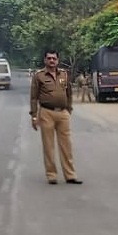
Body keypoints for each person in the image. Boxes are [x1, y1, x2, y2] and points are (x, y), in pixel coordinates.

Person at [30, 49, 81, 185]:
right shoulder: (39, 76)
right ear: (45, 60)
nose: (52, 61)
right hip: (46, 112)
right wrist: (34, 116)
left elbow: (69, 92)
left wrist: (69, 108)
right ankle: (51, 175)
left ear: (58, 60)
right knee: (48, 145)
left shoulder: (64, 74)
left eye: (54, 58)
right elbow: (34, 97)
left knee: (66, 145)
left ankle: (70, 175)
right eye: (49, 58)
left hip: (63, 113)